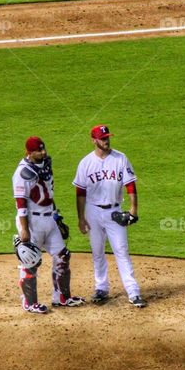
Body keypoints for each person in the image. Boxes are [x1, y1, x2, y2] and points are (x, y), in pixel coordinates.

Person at [72, 124, 146, 307]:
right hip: (93, 211)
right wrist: (81, 218)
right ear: (94, 140)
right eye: (103, 138)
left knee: (121, 251)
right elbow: (80, 192)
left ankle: (133, 291)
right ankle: (101, 288)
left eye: (107, 137)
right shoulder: (85, 163)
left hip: (114, 211)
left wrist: (133, 209)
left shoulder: (120, 158)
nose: (106, 141)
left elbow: (130, 185)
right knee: (97, 251)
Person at [12, 136, 85, 314]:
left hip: (48, 218)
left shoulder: (45, 165)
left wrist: (56, 216)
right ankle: (29, 302)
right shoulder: (22, 173)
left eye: (44, 149)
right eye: (39, 150)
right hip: (32, 222)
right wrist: (24, 230)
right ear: (29, 153)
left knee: (63, 255)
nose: (43, 153)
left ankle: (62, 297)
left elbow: (49, 195)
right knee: (31, 262)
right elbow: (20, 204)